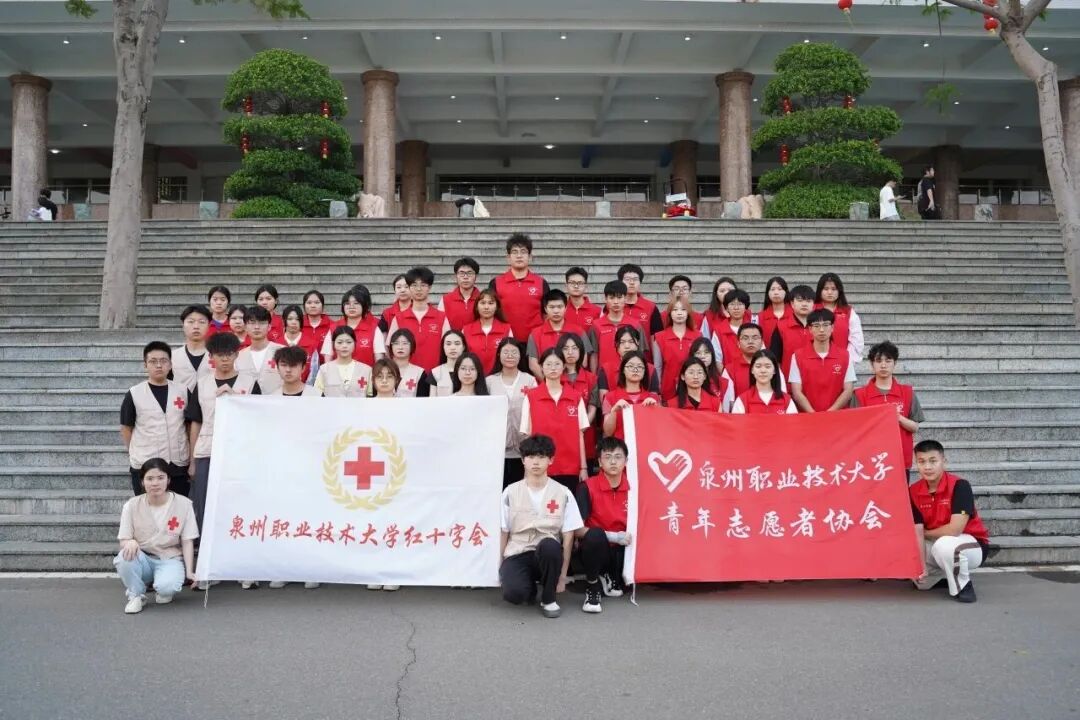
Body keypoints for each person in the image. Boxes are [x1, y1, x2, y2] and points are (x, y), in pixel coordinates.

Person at [499, 434, 585, 619]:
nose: (536, 462)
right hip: (518, 551)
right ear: (523, 460)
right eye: (530, 457)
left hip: (548, 552)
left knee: (550, 546)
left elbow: (568, 536)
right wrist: (500, 565)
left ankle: (548, 598)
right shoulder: (510, 492)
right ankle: (528, 588)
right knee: (514, 594)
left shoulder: (563, 492)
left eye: (541, 456)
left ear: (550, 460)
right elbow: (504, 531)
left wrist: (562, 576)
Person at [185, 332, 259, 537]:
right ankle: (204, 542)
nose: (225, 359)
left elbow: (258, 418)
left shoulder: (250, 383)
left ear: (237, 355)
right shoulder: (202, 384)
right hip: (206, 450)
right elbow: (196, 422)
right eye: (219, 354)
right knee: (203, 498)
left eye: (229, 354)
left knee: (237, 498)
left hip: (240, 451)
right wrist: (192, 460)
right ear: (211, 357)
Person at [113, 459, 198, 614]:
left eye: (160, 478)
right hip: (143, 557)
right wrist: (129, 542)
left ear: (168, 480)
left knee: (167, 587)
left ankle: (162, 588)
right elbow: (124, 539)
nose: (155, 483)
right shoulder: (131, 505)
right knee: (124, 557)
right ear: (142, 482)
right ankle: (136, 595)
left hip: (169, 558)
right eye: (150, 478)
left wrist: (190, 572)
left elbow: (187, 541)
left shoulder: (184, 504)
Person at [910, 440, 990, 603]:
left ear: (944, 461)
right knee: (920, 577)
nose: (927, 467)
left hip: (971, 545)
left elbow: (955, 529)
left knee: (944, 544)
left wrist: (926, 534)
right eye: (921, 461)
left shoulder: (960, 486)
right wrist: (921, 566)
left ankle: (964, 585)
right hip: (936, 542)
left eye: (933, 461)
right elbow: (917, 530)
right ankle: (943, 576)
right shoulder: (913, 491)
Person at [120, 341, 191, 496]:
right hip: (146, 465)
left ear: (170, 364)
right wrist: (135, 452)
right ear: (145, 365)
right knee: (147, 508)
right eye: (153, 361)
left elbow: (190, 425)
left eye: (163, 361)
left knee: (178, 508)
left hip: (178, 464)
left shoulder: (183, 391)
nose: (159, 365)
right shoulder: (134, 393)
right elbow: (126, 428)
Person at [575, 436, 633, 613]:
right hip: (598, 547)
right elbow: (577, 529)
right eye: (607, 457)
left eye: (618, 457)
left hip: (625, 548)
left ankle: (611, 576)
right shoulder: (587, 487)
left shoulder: (634, 488)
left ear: (626, 461)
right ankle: (592, 587)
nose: (613, 462)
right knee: (595, 535)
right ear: (600, 462)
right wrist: (612, 536)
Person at [521, 349, 589, 492]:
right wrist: (527, 468)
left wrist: (583, 468)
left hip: (570, 467)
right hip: (540, 466)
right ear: (541, 367)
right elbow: (527, 436)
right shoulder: (531, 397)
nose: (553, 368)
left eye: (557, 364)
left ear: (564, 366)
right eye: (548, 364)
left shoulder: (575, 397)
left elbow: (580, 434)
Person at [852, 341, 924, 475]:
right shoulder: (860, 394)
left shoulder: (907, 392)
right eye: (878, 361)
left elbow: (915, 427)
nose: (883, 365)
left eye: (888, 360)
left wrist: (898, 417)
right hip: (870, 460)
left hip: (900, 459)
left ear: (895, 363)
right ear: (872, 365)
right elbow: (855, 429)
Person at [487, 337, 538, 487]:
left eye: (514, 352)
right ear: (498, 354)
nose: (510, 356)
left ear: (521, 355)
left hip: (524, 447)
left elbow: (536, 412)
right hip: (497, 448)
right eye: (506, 352)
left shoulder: (530, 381)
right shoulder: (489, 382)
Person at [788, 308, 856, 413]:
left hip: (837, 416)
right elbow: (796, 392)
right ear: (810, 329)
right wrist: (813, 414)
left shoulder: (845, 356)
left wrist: (830, 413)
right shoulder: (797, 356)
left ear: (832, 327)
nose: (821, 330)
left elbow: (848, 390)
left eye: (825, 325)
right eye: (816, 326)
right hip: (807, 416)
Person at [387, 266, 451, 371]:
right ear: (409, 287)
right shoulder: (399, 318)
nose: (418, 289)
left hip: (434, 375)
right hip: (407, 376)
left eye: (423, 285)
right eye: (414, 285)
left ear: (430, 287)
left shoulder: (441, 317)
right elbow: (390, 348)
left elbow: (449, 347)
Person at [490, 233, 549, 345]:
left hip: (534, 342)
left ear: (530, 257)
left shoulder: (541, 283)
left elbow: (547, 315)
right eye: (514, 252)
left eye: (523, 252)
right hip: (505, 342)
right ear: (508, 257)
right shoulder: (496, 283)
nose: (519, 256)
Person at [556, 333, 599, 473]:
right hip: (561, 439)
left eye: (574, 348)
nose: (570, 352)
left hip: (585, 438)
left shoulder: (591, 378)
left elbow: (592, 409)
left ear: (581, 351)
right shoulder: (554, 377)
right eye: (565, 348)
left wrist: (579, 429)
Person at [527, 289, 590, 378]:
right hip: (546, 383)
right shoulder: (535, 334)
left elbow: (583, 361)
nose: (556, 311)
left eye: (560, 307)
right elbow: (533, 365)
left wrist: (571, 381)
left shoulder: (579, 331)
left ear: (566, 308)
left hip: (574, 383)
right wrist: (550, 383)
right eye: (552, 307)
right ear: (545, 309)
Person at [588, 280, 645, 374]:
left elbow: (640, 353)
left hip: (629, 376)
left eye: (619, 297)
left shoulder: (635, 325)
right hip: (604, 376)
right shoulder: (596, 325)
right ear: (605, 299)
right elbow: (594, 355)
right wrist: (594, 377)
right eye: (611, 298)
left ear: (625, 298)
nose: (616, 302)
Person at [601, 351, 660, 440]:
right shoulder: (610, 397)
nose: (635, 370)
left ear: (645, 371)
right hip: (621, 446)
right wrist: (614, 411)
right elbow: (608, 432)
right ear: (623, 370)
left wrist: (656, 409)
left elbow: (660, 430)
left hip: (646, 445)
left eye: (640, 367)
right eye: (630, 366)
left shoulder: (653, 398)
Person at [652, 297, 702, 401]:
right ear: (670, 313)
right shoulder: (660, 337)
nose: (679, 313)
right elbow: (657, 367)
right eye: (675, 310)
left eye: (683, 309)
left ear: (688, 313)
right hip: (668, 387)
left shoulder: (698, 336)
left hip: (692, 386)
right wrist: (658, 390)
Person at [322, 286, 383, 366]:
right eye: (347, 303)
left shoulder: (374, 329)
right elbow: (328, 356)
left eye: (356, 303)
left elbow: (379, 358)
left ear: (364, 306)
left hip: (366, 373)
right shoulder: (334, 327)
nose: (351, 307)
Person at [597, 326, 660, 399]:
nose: (627, 346)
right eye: (622, 342)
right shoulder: (606, 369)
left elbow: (654, 399)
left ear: (638, 343)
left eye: (631, 342)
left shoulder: (650, 369)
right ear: (616, 344)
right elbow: (604, 400)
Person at [815, 272, 864, 366]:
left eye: (834, 289)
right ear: (820, 290)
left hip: (841, 363)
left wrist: (847, 360)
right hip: (815, 361)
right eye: (826, 289)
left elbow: (856, 339)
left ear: (839, 291)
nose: (830, 292)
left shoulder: (848, 311)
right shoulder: (812, 309)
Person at [235, 306, 285, 395]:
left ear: (269, 327)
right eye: (252, 323)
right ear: (245, 327)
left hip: (277, 401)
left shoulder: (283, 351)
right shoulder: (238, 356)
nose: (257, 327)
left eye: (262, 323)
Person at [462, 288, 513, 374]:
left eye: (491, 303)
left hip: (499, 377)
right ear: (477, 307)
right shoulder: (466, 330)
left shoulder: (506, 329)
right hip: (472, 377)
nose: (486, 307)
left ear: (497, 307)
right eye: (482, 303)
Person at [731, 349, 797, 414]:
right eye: (758, 366)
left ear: (774, 370)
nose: (763, 371)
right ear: (752, 370)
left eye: (767, 367)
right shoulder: (742, 400)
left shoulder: (786, 400)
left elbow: (793, 421)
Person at [314, 326, 373, 398]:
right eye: (340, 342)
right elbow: (316, 396)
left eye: (349, 342)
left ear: (355, 344)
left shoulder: (366, 370)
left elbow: (370, 397)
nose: (344, 346)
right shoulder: (324, 369)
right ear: (333, 344)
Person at [723, 323, 774, 399]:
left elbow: (781, 396)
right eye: (745, 338)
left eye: (755, 338)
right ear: (738, 343)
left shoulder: (771, 366)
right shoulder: (729, 370)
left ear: (762, 343)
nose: (750, 341)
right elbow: (728, 402)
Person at [775, 284, 815, 377]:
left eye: (808, 301)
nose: (804, 304)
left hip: (815, 379)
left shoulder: (820, 327)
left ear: (813, 305)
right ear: (792, 303)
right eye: (800, 300)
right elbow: (775, 358)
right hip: (789, 379)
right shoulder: (781, 326)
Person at [617, 264, 663, 344]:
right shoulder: (614, 306)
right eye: (627, 279)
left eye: (635, 279)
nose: (631, 282)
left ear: (640, 282)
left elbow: (656, 337)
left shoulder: (651, 307)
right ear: (620, 282)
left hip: (643, 352)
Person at [171, 305, 212, 392]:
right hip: (180, 399)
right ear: (183, 325)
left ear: (209, 326)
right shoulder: (172, 357)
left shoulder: (218, 356)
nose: (196, 326)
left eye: (202, 322)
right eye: (191, 322)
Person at [688, 337, 734, 411]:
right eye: (698, 353)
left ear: (712, 355)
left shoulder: (723, 383)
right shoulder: (684, 380)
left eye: (706, 352)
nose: (702, 356)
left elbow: (725, 412)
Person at [711, 289, 755, 364]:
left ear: (746, 307)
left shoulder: (754, 329)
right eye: (732, 304)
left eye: (740, 304)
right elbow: (717, 360)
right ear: (726, 308)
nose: (736, 308)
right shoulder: (719, 331)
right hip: (727, 371)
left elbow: (760, 354)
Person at [439, 257, 481, 331]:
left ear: (476, 276)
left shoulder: (482, 299)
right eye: (462, 273)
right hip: (453, 338)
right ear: (456, 276)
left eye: (469, 273)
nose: (465, 277)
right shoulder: (446, 300)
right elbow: (440, 325)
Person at [387, 328, 432, 398]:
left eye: (405, 343)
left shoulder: (419, 373)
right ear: (391, 346)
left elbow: (423, 401)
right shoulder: (383, 370)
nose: (400, 347)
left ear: (412, 346)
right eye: (396, 343)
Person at [430, 330, 468, 397]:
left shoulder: (471, 371)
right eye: (448, 344)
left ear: (463, 347)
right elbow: (432, 400)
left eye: (457, 344)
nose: (452, 348)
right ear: (443, 347)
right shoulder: (436, 372)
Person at [758, 276, 790, 351]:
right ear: (768, 293)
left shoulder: (794, 314)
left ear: (786, 292)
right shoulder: (761, 316)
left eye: (779, 289)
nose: (776, 292)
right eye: (772, 289)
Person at [300, 289, 333, 357]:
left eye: (317, 302)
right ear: (304, 306)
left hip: (327, 363)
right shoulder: (298, 325)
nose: (313, 306)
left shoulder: (332, 326)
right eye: (309, 303)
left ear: (323, 306)